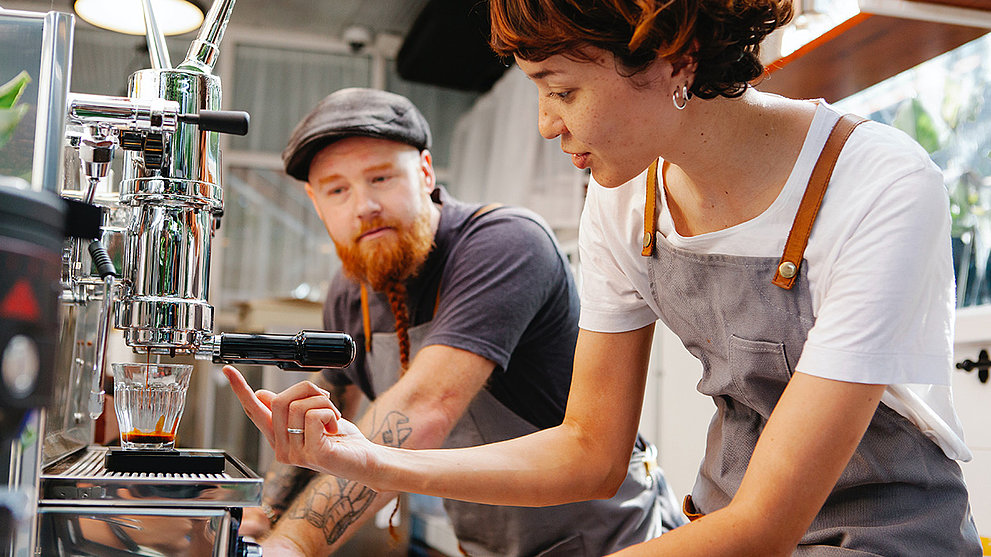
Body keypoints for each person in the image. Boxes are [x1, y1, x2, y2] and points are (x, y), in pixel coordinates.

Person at [225, 2, 983, 554]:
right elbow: (588, 449)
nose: (548, 125)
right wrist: (367, 459)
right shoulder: (625, 199)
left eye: (562, 90)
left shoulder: (876, 181)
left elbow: (765, 523)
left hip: (879, 537)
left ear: (672, 55)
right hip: (714, 528)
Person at [235, 87, 685, 556]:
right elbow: (326, 407)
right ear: (315, 201)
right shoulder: (351, 294)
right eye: (337, 190)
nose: (363, 205)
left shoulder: (503, 243)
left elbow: (426, 406)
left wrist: (292, 547)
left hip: (612, 540)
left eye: (381, 178)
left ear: (426, 171)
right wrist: (266, 518)